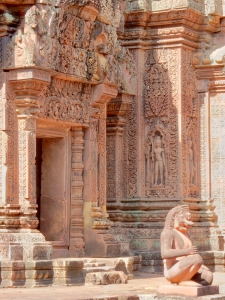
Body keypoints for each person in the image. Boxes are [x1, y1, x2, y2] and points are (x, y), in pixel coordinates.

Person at [161, 205, 213, 286]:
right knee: (197, 258)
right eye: (184, 222)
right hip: (172, 270)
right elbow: (165, 253)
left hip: (185, 268)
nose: (188, 226)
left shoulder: (186, 234)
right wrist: (187, 251)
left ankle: (186, 278)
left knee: (208, 276)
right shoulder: (168, 233)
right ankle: (183, 281)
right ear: (175, 219)